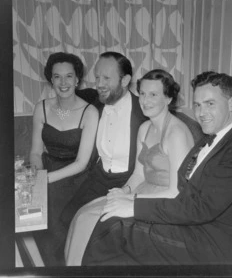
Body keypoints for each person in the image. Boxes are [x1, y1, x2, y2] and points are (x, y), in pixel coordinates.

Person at [81, 71, 232, 265]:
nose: (201, 113)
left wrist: (134, 206)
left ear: (231, 103)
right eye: (197, 105)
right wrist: (129, 198)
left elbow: (201, 208)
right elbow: (183, 188)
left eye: (210, 104)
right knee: (112, 221)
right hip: (192, 227)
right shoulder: (211, 138)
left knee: (115, 225)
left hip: (214, 244)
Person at [64, 69, 195, 265]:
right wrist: (123, 190)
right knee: (85, 213)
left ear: (168, 99)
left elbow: (176, 191)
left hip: (164, 202)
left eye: (153, 95)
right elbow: (138, 174)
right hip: (142, 192)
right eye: (142, 93)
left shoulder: (176, 133)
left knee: (99, 221)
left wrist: (130, 200)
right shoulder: (144, 128)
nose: (145, 100)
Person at [59, 51, 148, 234]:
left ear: (125, 80)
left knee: (100, 230)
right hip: (98, 177)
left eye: (106, 78)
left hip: (129, 180)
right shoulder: (94, 106)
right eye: (97, 77)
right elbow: (66, 102)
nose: (99, 84)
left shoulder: (144, 111)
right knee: (66, 218)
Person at [30, 52, 99, 265]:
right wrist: (37, 174)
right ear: (51, 79)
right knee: (31, 206)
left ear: (77, 79)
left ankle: (62, 265)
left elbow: (82, 163)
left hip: (76, 177)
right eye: (57, 76)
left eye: (69, 76)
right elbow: (35, 151)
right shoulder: (41, 107)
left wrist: (46, 180)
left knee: (53, 211)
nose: (63, 82)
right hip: (47, 168)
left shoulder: (90, 112)